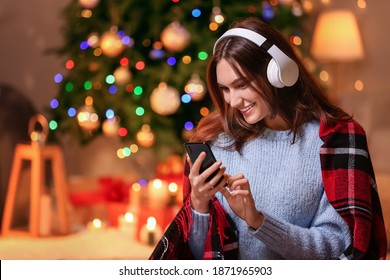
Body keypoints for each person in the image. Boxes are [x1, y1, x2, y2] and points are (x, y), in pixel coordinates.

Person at [149, 17, 387, 260]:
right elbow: (197, 259)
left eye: (241, 84)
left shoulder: (334, 142)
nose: (232, 101)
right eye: (225, 89)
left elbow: (338, 247)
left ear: (279, 72)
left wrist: (258, 221)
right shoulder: (215, 142)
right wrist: (199, 206)